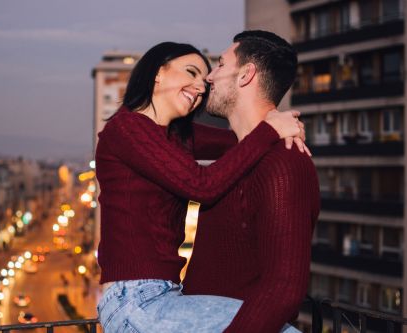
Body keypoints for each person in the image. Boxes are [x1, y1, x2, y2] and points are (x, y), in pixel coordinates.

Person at [96, 41, 305, 333]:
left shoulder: (177, 137)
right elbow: (201, 186)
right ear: (157, 73)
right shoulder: (126, 128)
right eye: (191, 72)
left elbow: (242, 139)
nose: (200, 85)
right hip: (135, 301)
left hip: (165, 295)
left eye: (204, 80)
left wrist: (276, 125)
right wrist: (271, 130)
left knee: (269, 324)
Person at [182, 30, 320, 333]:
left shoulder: (284, 163)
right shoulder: (244, 153)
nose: (209, 77)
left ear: (246, 74)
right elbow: (168, 140)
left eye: (219, 64)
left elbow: (283, 289)